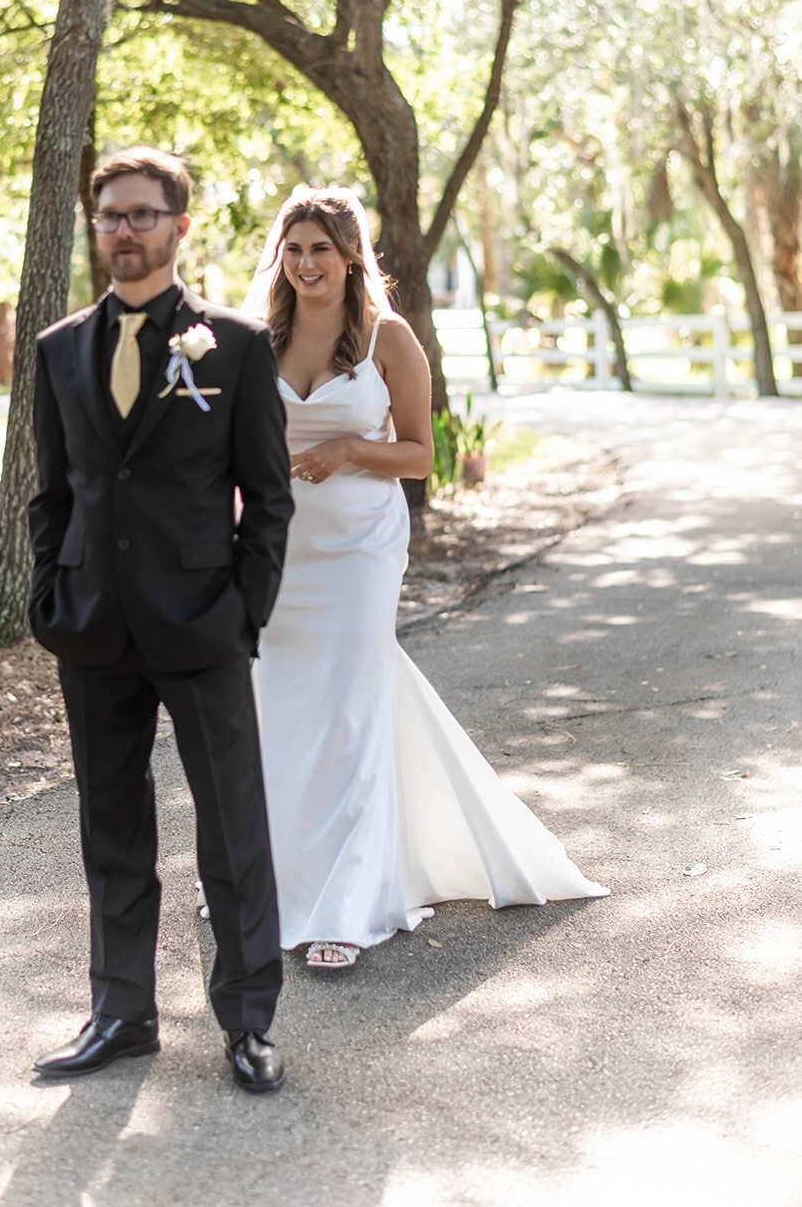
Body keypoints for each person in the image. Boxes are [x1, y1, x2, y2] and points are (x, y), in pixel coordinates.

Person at [244, 186, 608, 970]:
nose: (307, 263)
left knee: (349, 705)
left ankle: (349, 902)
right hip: (279, 551)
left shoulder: (388, 339)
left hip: (361, 550)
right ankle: (278, 877)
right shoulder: (257, 340)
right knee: (285, 707)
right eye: (294, 248)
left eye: (322, 249)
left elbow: (419, 456)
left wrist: (346, 451)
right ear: (281, 257)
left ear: (350, 257)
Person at [27, 146, 293, 1091]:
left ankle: (249, 1022)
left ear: (181, 226)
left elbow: (267, 497)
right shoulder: (58, 349)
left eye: (143, 215)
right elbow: (52, 492)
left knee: (233, 830)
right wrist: (48, 598)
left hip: (202, 623)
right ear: (95, 227)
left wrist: (242, 612)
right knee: (112, 830)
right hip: (93, 625)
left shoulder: (237, 345)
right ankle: (120, 1014)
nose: (124, 231)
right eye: (110, 216)